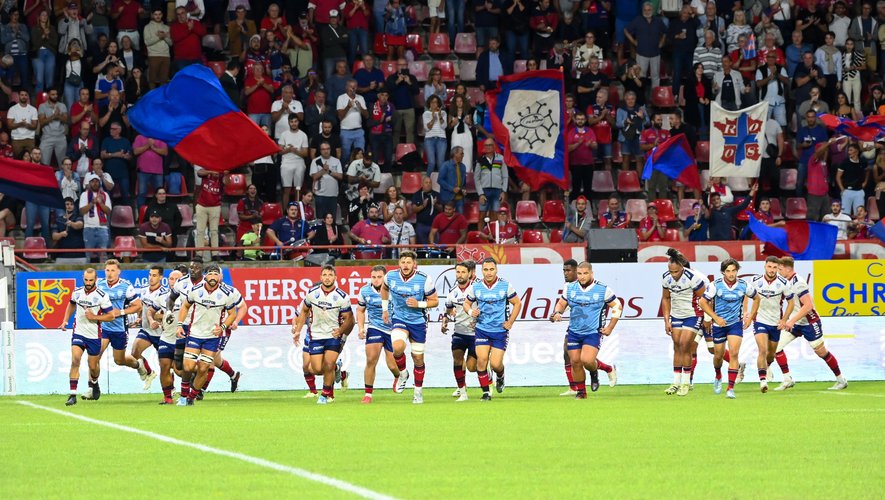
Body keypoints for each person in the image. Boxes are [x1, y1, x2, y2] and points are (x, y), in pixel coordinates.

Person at [773, 257, 848, 391]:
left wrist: (791, 321)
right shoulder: (786, 282)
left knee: (821, 352)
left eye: (780, 269)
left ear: (788, 269)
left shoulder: (798, 283)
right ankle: (787, 379)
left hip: (809, 322)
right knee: (776, 347)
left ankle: (841, 380)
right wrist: (786, 319)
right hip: (796, 322)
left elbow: (808, 306)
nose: (778, 272)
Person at [550, 261, 620, 400]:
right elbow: (562, 303)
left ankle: (599, 371)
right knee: (575, 361)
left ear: (591, 273)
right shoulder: (570, 288)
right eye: (580, 273)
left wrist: (610, 327)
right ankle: (581, 393)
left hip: (593, 332)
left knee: (587, 360)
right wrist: (557, 312)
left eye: (585, 273)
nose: (582, 276)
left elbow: (617, 306)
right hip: (574, 331)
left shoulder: (602, 289)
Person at [175, 265, 242, 405]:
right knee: (187, 367)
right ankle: (183, 395)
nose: (213, 277)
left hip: (212, 337)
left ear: (219, 277)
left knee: (204, 368)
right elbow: (185, 306)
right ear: (205, 276)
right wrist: (180, 324)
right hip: (194, 333)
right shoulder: (195, 290)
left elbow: (232, 314)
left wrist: (223, 327)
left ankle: (191, 398)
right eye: (210, 274)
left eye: (215, 274)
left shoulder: (227, 294)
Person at [380, 251, 438, 404]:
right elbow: (384, 289)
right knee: (397, 347)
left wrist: (419, 304)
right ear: (399, 263)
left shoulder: (424, 279)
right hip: (399, 318)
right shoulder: (390, 276)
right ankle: (403, 373)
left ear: (414, 264)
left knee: (418, 358)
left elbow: (435, 301)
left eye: (409, 262)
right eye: (403, 262)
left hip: (418, 322)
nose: (405, 265)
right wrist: (385, 309)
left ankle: (418, 392)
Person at [292, 265, 354, 405]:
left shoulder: (342, 297)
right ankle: (338, 369)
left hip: (333, 335)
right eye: (325, 275)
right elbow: (303, 311)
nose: (327, 278)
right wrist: (297, 331)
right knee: (316, 369)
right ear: (320, 277)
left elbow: (350, 318)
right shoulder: (312, 293)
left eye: (330, 275)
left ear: (335, 278)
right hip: (316, 335)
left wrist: (341, 331)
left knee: (329, 363)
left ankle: (325, 395)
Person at [463, 258, 521, 401]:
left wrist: (510, 322)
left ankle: (500, 375)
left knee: (495, 364)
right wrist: (471, 312)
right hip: (482, 329)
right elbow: (466, 303)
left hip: (499, 331)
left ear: (496, 270)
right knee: (481, 361)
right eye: (485, 270)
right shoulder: (476, 286)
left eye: (491, 269)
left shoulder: (505, 285)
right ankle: (486, 392)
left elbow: (517, 303)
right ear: (481, 271)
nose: (488, 273)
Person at [699, 259, 755, 399]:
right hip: (719, 325)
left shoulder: (744, 285)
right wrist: (715, 318)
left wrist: (750, 317)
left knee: (734, 353)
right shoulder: (715, 285)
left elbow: (757, 298)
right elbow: (702, 302)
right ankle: (718, 375)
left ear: (737, 271)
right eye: (728, 271)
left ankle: (730, 388)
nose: (731, 274)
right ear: (723, 272)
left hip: (735, 324)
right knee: (718, 355)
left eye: (733, 271)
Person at [59, 268, 116, 405]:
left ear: (96, 279)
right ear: (83, 279)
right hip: (78, 332)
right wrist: (65, 320)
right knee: (75, 360)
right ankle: (72, 395)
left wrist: (94, 317)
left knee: (93, 367)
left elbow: (111, 316)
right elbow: (71, 304)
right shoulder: (77, 292)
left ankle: (94, 383)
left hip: (94, 336)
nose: (88, 283)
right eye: (86, 280)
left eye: (91, 280)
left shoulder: (102, 296)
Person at [95, 259, 151, 393]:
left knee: (119, 360)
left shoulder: (126, 286)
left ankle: (139, 365)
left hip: (119, 328)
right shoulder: (99, 284)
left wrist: (120, 312)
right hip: (103, 327)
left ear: (118, 272)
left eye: (113, 270)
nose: (110, 273)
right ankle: (93, 387)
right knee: (95, 355)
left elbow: (138, 306)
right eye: (107, 270)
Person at [743, 256, 795, 394]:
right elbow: (745, 295)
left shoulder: (783, 283)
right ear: (765, 267)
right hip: (759, 320)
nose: (771, 270)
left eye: (774, 267)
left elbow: (791, 303)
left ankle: (762, 368)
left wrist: (784, 319)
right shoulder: (755, 280)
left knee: (771, 355)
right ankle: (763, 381)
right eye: (769, 267)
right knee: (763, 349)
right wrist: (746, 312)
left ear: (778, 268)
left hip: (775, 323)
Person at [661, 249, 707, 396]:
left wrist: (707, 318)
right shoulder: (666, 278)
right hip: (676, 315)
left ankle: (686, 383)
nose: (673, 274)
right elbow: (666, 298)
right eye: (671, 271)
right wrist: (666, 320)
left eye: (676, 272)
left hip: (693, 314)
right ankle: (676, 382)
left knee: (685, 344)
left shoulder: (693, 277)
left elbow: (705, 299)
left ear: (682, 267)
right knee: (676, 346)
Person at [357, 265, 404, 403]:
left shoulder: (394, 290)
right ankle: (368, 394)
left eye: (379, 277)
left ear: (385, 277)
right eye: (373, 277)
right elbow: (360, 310)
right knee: (371, 359)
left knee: (392, 365)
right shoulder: (365, 291)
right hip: (375, 327)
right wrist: (361, 328)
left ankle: (398, 376)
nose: (376, 280)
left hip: (393, 328)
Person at [442, 260, 477, 402]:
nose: (460, 275)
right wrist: (446, 319)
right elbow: (449, 309)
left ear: (469, 274)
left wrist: (479, 318)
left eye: (463, 272)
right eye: (458, 272)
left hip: (476, 333)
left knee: (471, 367)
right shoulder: (452, 291)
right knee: (457, 359)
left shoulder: (476, 288)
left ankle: (486, 369)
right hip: (459, 331)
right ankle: (462, 391)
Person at [129, 266, 167, 395]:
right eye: (150, 275)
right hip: (146, 330)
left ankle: (171, 389)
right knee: (134, 352)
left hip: (161, 334)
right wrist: (139, 317)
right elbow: (142, 307)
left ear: (161, 277)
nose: (151, 278)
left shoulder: (164, 293)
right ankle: (150, 373)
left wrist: (156, 318)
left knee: (166, 365)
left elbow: (167, 314)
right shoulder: (144, 290)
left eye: (154, 275)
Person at [154, 269, 183, 404]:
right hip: (166, 338)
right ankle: (167, 398)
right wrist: (155, 319)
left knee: (180, 370)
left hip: (181, 338)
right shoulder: (162, 296)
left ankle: (190, 391)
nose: (174, 281)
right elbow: (151, 311)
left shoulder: (187, 296)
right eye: (171, 279)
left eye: (177, 279)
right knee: (164, 367)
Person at [79, 173, 111, 262]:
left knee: (103, 257)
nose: (95, 183)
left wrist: (100, 203)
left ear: (99, 183)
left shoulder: (105, 195)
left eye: (97, 181)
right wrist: (92, 203)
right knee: (88, 256)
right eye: (92, 181)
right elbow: (82, 211)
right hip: (88, 228)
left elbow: (108, 211)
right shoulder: (84, 195)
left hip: (103, 228)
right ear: (89, 183)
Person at [279, 114, 310, 204]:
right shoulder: (284, 134)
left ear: (298, 122)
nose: (293, 124)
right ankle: (285, 210)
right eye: (291, 122)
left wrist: (295, 150)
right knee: (286, 189)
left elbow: (305, 153)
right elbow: (279, 151)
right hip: (286, 163)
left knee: (298, 189)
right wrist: (289, 149)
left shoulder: (303, 135)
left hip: (299, 162)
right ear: (289, 122)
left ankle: (298, 209)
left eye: (295, 121)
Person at [309, 141, 344, 219]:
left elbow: (340, 176)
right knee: (321, 219)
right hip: (320, 195)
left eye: (327, 149)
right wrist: (323, 170)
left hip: (333, 194)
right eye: (323, 149)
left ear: (330, 149)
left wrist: (329, 171)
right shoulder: (315, 161)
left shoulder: (336, 161)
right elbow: (314, 177)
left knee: (332, 219)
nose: (326, 151)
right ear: (320, 150)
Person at [194, 167, 223, 262]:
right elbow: (199, 172)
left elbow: (227, 182)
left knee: (214, 231)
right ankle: (199, 254)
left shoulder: (222, 174)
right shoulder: (206, 173)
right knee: (200, 231)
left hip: (215, 206)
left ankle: (215, 254)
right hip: (201, 205)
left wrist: (224, 173)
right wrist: (212, 171)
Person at [336, 79, 367, 163]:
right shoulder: (341, 98)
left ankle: (359, 169)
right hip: (345, 131)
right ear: (346, 87)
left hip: (359, 131)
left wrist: (360, 108)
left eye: (355, 86)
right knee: (345, 155)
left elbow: (367, 115)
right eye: (351, 86)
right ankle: (345, 169)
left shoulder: (360, 98)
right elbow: (340, 117)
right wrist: (348, 107)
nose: (353, 88)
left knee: (360, 153)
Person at [836, 142, 870, 218]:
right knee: (845, 215)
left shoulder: (863, 162)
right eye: (848, 150)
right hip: (847, 191)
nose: (849, 152)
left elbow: (867, 171)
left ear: (857, 151)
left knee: (859, 214)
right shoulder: (844, 162)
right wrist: (842, 189)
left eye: (851, 150)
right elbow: (838, 177)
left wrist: (865, 182)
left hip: (859, 192)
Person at [133, 135, 168, 208]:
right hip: (143, 171)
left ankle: (160, 212)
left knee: (160, 194)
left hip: (157, 171)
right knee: (142, 193)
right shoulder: (139, 137)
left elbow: (165, 152)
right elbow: (135, 151)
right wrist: (147, 145)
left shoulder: (160, 137)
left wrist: (153, 147)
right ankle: (141, 214)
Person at [52, 196, 86, 264]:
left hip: (79, 255)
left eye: (71, 204)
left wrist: (71, 223)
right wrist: (61, 234)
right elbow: (54, 236)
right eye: (67, 204)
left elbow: (79, 225)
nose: (69, 206)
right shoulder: (58, 220)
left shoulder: (78, 217)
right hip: (62, 255)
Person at [7, 89, 38, 158]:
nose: (24, 97)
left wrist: (26, 124)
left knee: (31, 159)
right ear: (19, 96)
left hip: (30, 138)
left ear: (28, 97)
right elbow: (9, 125)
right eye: (22, 95)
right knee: (17, 159)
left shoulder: (33, 109)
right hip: (16, 138)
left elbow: (35, 126)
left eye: (25, 95)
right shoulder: (12, 109)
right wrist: (20, 124)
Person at [438, 146, 467, 213]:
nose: (463, 155)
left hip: (460, 198)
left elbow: (463, 183)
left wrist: (463, 189)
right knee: (448, 217)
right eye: (461, 153)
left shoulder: (463, 166)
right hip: (448, 197)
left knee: (460, 217)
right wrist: (452, 189)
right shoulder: (445, 165)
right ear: (455, 154)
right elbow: (440, 180)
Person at [411, 176, 439, 244]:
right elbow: (414, 209)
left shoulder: (436, 194)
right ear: (422, 184)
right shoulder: (417, 194)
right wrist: (423, 206)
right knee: (421, 247)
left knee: (434, 246)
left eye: (430, 183)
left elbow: (442, 210)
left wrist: (435, 204)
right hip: (421, 225)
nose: (428, 184)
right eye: (426, 182)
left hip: (434, 226)